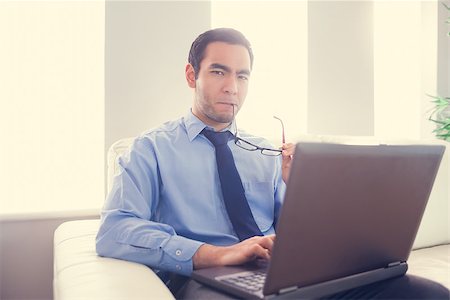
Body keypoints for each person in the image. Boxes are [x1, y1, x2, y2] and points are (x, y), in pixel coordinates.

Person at [96, 28, 449, 299]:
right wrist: (214, 254)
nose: (232, 87)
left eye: (242, 75)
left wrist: (301, 191)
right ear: (192, 76)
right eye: (219, 72)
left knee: (427, 293)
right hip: (208, 278)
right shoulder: (151, 148)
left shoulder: (264, 151)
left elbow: (298, 233)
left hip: (280, 272)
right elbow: (114, 230)